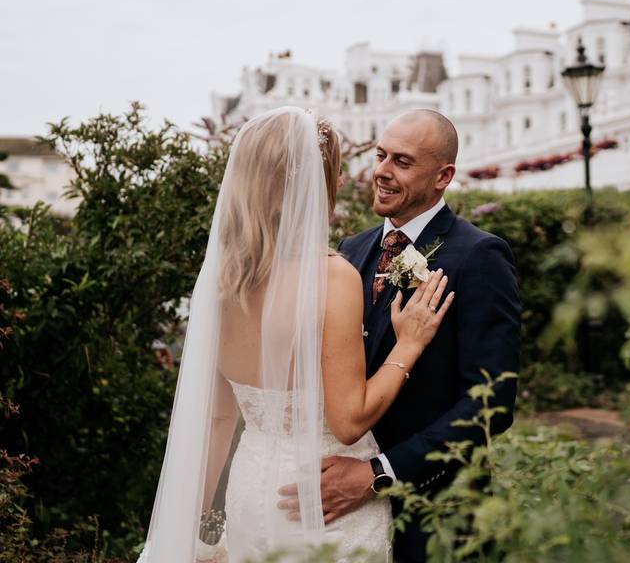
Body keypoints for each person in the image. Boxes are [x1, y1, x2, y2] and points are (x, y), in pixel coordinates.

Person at [137, 106, 453, 562]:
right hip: (323, 503)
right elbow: (348, 421)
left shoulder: (222, 282)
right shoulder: (332, 277)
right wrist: (409, 345)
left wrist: (185, 531)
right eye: (334, 174)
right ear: (308, 183)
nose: (341, 184)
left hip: (249, 498)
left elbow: (219, 421)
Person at [276, 109, 521, 563]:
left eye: (402, 162)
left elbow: (491, 403)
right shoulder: (350, 250)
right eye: (381, 155)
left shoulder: (480, 256)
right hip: (342, 516)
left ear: (443, 175)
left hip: (436, 517)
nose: (382, 172)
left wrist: (379, 473)